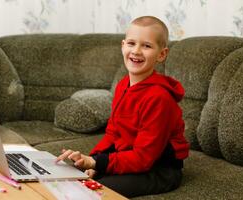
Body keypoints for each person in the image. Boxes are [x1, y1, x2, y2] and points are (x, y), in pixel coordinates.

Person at [56, 16, 190, 198]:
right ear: (123, 45)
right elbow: (113, 133)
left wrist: (96, 163)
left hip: (159, 169)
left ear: (162, 54)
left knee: (95, 191)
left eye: (147, 46)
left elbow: (144, 158)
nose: (136, 51)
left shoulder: (159, 98)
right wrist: (91, 160)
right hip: (129, 157)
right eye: (132, 43)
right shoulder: (123, 85)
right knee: (73, 178)